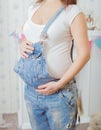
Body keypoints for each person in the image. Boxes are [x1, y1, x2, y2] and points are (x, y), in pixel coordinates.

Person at [19, 0, 90, 130]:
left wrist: (60, 83)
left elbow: (84, 54)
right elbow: (27, 34)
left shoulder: (72, 12)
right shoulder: (33, 8)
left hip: (60, 93)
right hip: (31, 92)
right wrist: (22, 43)